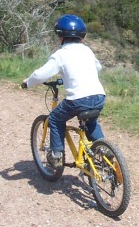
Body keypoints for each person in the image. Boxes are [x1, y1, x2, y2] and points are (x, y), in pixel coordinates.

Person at [22, 14, 106, 169]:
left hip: (79, 99)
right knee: (91, 122)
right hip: (99, 96)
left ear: (60, 36)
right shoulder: (87, 51)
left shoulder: (60, 54)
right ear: (82, 36)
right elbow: (98, 67)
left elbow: (40, 75)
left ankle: (57, 155)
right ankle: (104, 149)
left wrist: (28, 83)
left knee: (55, 119)